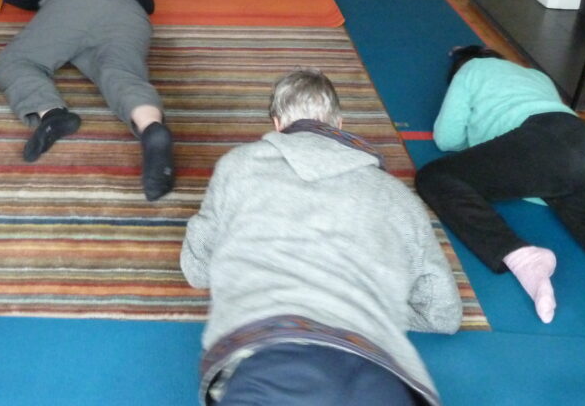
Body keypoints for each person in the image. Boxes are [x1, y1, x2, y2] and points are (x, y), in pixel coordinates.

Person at [181, 69, 462, 406]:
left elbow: (196, 272)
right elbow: (442, 315)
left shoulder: (237, 165)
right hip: (377, 370)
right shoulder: (396, 196)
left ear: (277, 123)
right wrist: (376, 308)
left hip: (266, 359)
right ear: (338, 123)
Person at [415, 45, 585, 348]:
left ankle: (521, 256)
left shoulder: (470, 70)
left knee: (436, 176)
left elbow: (447, 138)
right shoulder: (536, 76)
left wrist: (478, 137)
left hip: (550, 145)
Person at [0, 0, 174, 201]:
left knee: (17, 61)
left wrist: (47, 6)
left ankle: (50, 113)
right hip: (128, 10)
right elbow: (148, 3)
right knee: (120, 73)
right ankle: (151, 127)